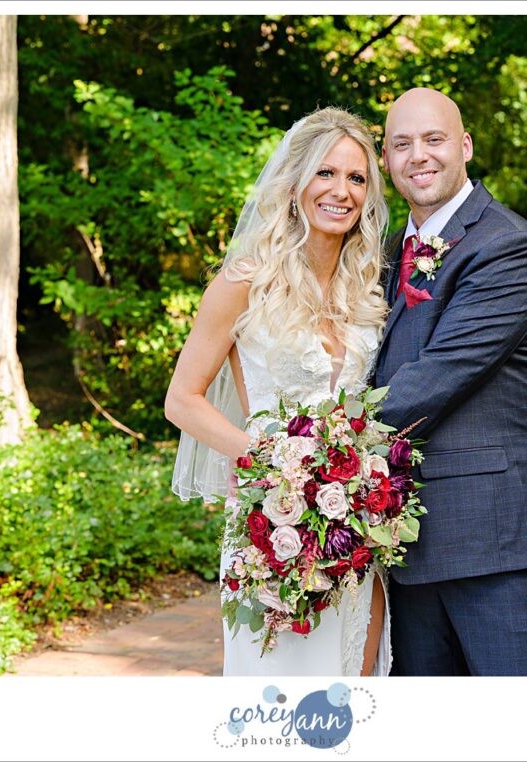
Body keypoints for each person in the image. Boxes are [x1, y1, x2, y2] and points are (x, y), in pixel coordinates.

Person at [165, 107, 392, 676]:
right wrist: (273, 465)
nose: (341, 191)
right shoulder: (244, 280)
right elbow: (182, 399)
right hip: (275, 519)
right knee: (285, 696)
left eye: (356, 178)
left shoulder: (367, 284)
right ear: (294, 183)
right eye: (326, 173)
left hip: (357, 524)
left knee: (358, 685)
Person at [374, 87, 527, 676]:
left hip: (495, 547)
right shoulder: (393, 253)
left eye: (434, 139)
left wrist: (316, 442)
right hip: (410, 542)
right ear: (387, 160)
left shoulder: (505, 246)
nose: (419, 155)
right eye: (402, 144)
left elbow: (438, 377)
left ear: (465, 145)